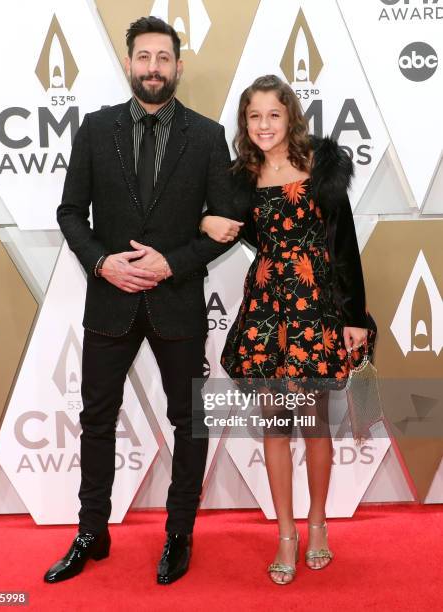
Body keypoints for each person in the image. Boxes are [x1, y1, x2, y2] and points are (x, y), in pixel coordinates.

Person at [44, 16, 242, 585]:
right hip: (110, 300)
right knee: (97, 419)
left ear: (178, 66)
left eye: (163, 57)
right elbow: (68, 213)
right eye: (143, 57)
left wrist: (171, 262)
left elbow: (223, 224)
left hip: (178, 302)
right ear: (129, 63)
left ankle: (179, 534)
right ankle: (91, 532)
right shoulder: (94, 129)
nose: (153, 67)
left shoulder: (206, 136)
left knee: (190, 420)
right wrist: (103, 263)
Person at [200, 75, 370, 585]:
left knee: (314, 421)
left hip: (317, 306)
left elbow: (344, 246)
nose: (264, 125)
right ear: (244, 123)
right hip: (268, 307)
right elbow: (221, 225)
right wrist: (205, 222)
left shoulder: (322, 167)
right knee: (276, 424)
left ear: (290, 117)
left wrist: (356, 318)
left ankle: (318, 525)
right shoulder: (238, 178)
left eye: (273, 114)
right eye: (254, 116)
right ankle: (286, 533)